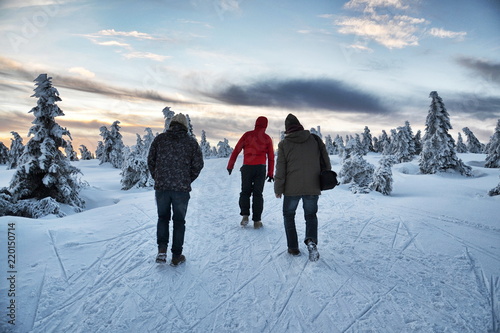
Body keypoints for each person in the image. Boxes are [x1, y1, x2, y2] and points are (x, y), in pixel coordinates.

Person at [148, 113, 204, 266]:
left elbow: (150, 160)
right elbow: (198, 164)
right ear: (185, 126)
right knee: (179, 221)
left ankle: (161, 250)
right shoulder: (191, 142)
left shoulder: (159, 140)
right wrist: (186, 179)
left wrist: (158, 177)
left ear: (171, 124)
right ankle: (176, 255)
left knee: (162, 218)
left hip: (162, 188)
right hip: (181, 189)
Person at [274, 114, 331, 261]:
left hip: (291, 189)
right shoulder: (314, 140)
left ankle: (293, 248)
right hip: (312, 186)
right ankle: (311, 241)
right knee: (310, 216)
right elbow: (325, 160)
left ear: (287, 130)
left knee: (289, 215)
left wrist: (278, 188)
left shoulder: (284, 144)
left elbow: (280, 168)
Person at [227, 116, 275, 229]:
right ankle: (257, 221)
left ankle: (245, 215)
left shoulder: (247, 135)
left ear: (256, 124)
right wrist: (270, 173)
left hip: (247, 168)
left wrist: (230, 166)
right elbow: (271, 157)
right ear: (266, 125)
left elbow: (236, 150)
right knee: (258, 194)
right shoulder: (267, 138)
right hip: (260, 168)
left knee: (245, 192)